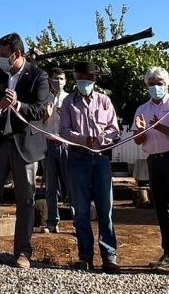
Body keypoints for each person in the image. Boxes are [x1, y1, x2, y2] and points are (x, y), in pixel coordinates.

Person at [0, 33, 49, 269]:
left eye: (3, 55)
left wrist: (18, 105)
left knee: (25, 199)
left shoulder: (38, 76)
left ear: (17, 54)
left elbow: (40, 110)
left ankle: (23, 252)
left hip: (24, 145)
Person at [59, 61, 121, 274]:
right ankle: (85, 256)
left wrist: (101, 139)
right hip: (77, 158)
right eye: (81, 77)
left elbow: (115, 129)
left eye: (89, 78)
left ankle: (109, 256)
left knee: (106, 209)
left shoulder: (104, 101)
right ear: (75, 78)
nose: (85, 81)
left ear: (95, 79)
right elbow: (64, 130)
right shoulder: (69, 102)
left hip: (101, 159)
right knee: (81, 210)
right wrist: (84, 139)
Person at [132, 66, 169, 269]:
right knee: (160, 206)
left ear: (167, 85)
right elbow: (138, 140)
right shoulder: (142, 109)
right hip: (154, 160)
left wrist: (158, 126)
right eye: (151, 83)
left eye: (159, 83)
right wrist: (142, 131)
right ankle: (167, 250)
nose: (155, 87)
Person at [40, 67, 71, 234]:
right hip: (49, 145)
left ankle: (76, 221)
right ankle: (52, 222)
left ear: (65, 81)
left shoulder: (69, 99)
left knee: (71, 185)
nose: (57, 82)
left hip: (66, 146)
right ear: (50, 81)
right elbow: (38, 125)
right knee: (51, 187)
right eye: (55, 78)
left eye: (61, 79)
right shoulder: (45, 99)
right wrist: (47, 113)